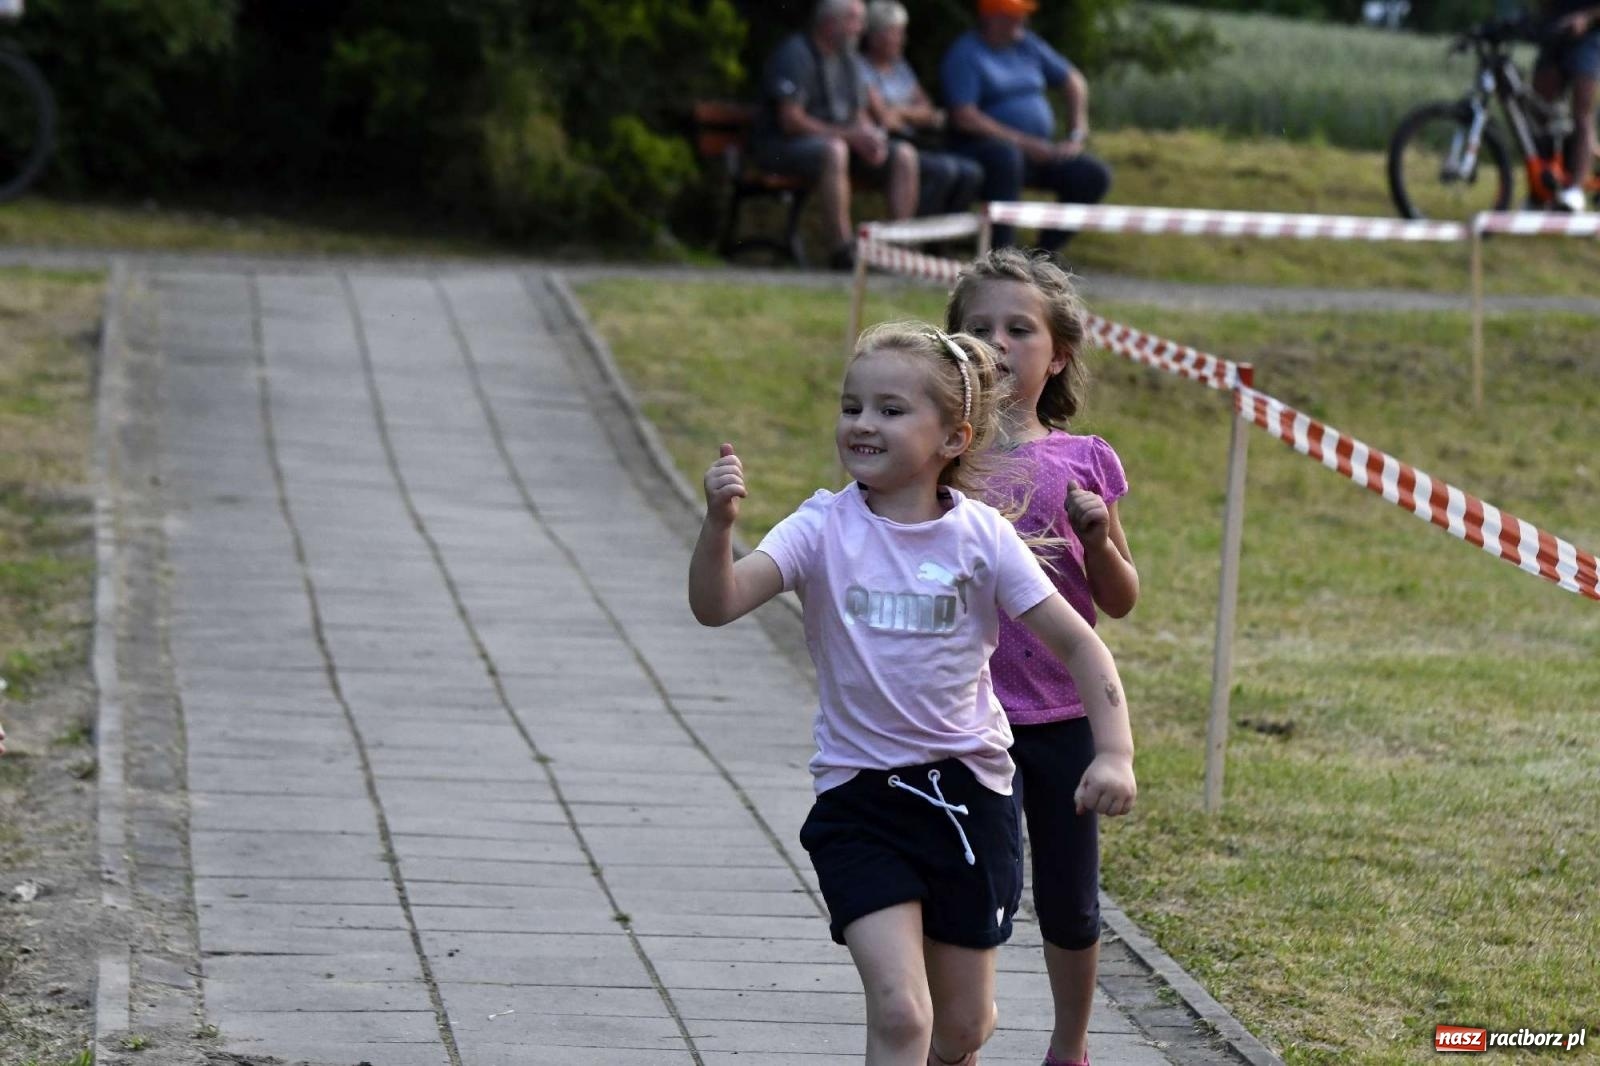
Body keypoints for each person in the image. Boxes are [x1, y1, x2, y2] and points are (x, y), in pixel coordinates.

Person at [689, 321, 1137, 1066]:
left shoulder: (983, 537)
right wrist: (717, 527)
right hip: (860, 798)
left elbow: (1081, 645)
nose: (863, 423)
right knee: (901, 1013)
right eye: (851, 405)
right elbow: (719, 603)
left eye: (891, 410)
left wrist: (1115, 753)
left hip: (972, 796)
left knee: (961, 1029)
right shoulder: (820, 527)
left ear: (954, 438)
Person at [946, 249, 1139, 1066]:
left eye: (1018, 330)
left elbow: (1122, 597)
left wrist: (1097, 541)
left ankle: (1070, 1045)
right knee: (977, 889)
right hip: (962, 715)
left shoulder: (1084, 460)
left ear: (1057, 352)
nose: (997, 343)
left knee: (1068, 897)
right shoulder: (940, 457)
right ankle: (958, 1035)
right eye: (977, 329)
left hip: (1060, 714)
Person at [751, 0, 919, 269]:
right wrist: (849, 136)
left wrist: (871, 137)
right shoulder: (796, 54)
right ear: (830, 22)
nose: (861, 29)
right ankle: (843, 251)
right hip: (783, 147)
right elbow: (790, 120)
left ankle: (900, 251)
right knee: (835, 150)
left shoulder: (849, 60)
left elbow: (858, 113)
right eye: (855, 20)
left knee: (904, 155)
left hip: (838, 146)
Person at [940, 0, 1112, 252]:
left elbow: (1074, 81)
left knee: (1092, 174)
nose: (1023, 21)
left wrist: (1076, 134)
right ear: (993, 17)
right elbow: (964, 116)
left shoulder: (1027, 45)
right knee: (1006, 157)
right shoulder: (966, 54)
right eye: (1014, 15)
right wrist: (1024, 143)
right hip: (983, 151)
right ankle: (1003, 253)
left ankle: (1045, 254)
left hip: (1038, 152)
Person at [859, 1, 985, 216]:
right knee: (944, 171)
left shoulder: (900, 67)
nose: (902, 39)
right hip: (888, 146)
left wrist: (901, 112)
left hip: (916, 142)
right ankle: (918, 235)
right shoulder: (859, 69)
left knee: (971, 172)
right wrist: (910, 113)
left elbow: (929, 111)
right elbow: (885, 119)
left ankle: (943, 240)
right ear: (875, 35)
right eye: (895, 33)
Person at [1533, 1, 1600, 212]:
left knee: (1582, 113)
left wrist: (1587, 18)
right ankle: (1541, 190)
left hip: (1589, 36)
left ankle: (1575, 190)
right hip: (1555, 30)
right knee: (1539, 111)